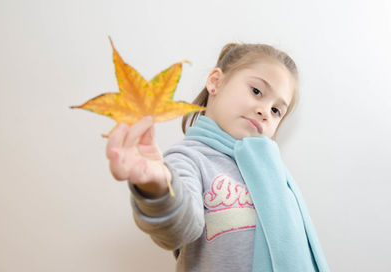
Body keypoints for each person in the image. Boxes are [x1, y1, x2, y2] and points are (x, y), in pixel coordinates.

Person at [106, 43, 330, 272]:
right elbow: (179, 229)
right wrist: (158, 189)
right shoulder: (189, 159)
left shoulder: (274, 178)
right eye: (256, 91)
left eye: (276, 111)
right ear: (215, 82)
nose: (265, 110)